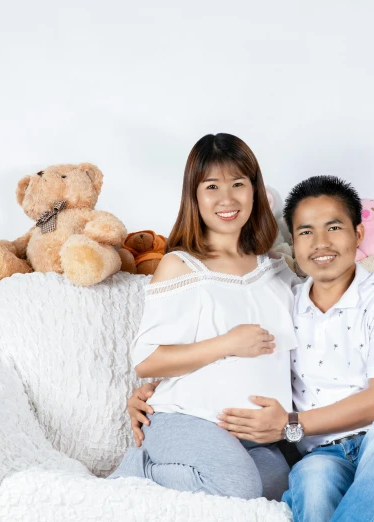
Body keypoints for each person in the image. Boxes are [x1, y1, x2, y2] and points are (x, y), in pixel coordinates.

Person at [130, 176, 374, 521]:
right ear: (293, 242)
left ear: (358, 235)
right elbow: (246, 364)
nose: (320, 243)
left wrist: (290, 425)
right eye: (306, 232)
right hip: (327, 455)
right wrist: (155, 392)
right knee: (308, 478)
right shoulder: (286, 303)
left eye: (334, 228)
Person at [107, 133, 297, 502]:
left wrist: (289, 427)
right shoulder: (181, 266)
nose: (227, 199)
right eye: (212, 186)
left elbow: (296, 365)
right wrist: (228, 344)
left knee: (279, 485)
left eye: (238, 184)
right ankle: (137, 470)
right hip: (188, 419)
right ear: (194, 196)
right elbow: (146, 360)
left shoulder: (278, 271)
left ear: (255, 192)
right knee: (239, 487)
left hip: (255, 437)